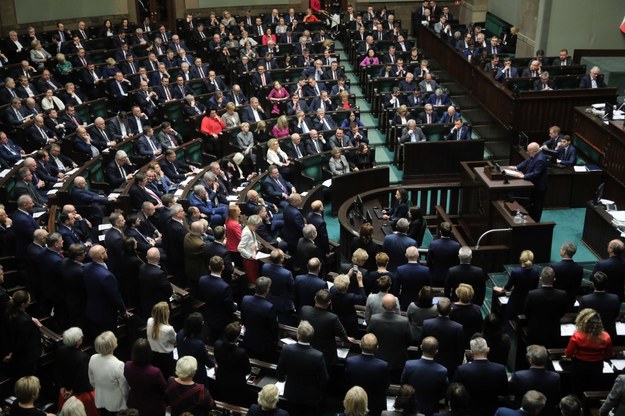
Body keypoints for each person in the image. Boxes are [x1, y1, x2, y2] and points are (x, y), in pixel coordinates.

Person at [277, 320, 329, 416]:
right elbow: (324, 378)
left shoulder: (286, 349)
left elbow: (280, 369)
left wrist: (281, 380)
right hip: (310, 397)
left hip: (291, 392)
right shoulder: (318, 356)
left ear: (298, 336)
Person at [453, 336, 508, 416]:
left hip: (468, 411)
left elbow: (454, 391)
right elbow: (505, 392)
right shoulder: (500, 369)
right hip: (492, 411)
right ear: (488, 350)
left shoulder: (462, 370)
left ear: (471, 352)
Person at [564, 308, 613, 395]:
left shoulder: (577, 336)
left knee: (577, 390)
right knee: (593, 389)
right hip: (596, 367)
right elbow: (608, 355)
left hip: (579, 366)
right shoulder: (606, 337)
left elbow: (568, 354)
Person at [300, 288, 351, 368]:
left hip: (306, 348)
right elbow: (343, 336)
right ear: (329, 302)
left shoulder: (304, 310)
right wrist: (347, 338)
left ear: (315, 298)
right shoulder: (332, 318)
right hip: (325, 354)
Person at [368, 294, 413, 380]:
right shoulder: (404, 321)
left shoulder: (374, 319)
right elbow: (409, 340)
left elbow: (369, 335)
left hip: (379, 358)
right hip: (398, 360)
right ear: (396, 306)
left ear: (382, 306)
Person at [401, 336, 448, 416]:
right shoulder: (442, 371)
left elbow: (403, 384)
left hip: (410, 408)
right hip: (430, 409)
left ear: (421, 347)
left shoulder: (409, 365)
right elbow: (443, 393)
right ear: (436, 351)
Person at [509, 344, 561, 416]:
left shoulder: (518, 375)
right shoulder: (556, 377)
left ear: (530, 360)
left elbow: (510, 392)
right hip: (546, 412)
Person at [345, 333, 390, 416]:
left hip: (355, 402)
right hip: (375, 405)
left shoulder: (350, 361)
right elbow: (385, 386)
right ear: (377, 348)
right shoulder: (383, 365)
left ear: (360, 345)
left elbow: (347, 383)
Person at [524, 267, 568, 348]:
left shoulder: (532, 294)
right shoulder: (562, 294)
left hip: (535, 331)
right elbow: (562, 313)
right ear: (554, 279)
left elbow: (527, 313)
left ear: (541, 279)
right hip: (553, 331)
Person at [198, 256, 237, 344]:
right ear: (223, 267)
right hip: (222, 319)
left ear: (209, 267)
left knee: (212, 337)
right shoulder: (225, 287)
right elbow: (230, 306)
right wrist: (235, 306)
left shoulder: (202, 280)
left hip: (208, 314)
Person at [421, 298, 465, 377]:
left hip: (430, 361)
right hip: (450, 365)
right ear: (451, 310)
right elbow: (460, 351)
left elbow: (421, 344)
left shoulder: (426, 324)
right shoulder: (458, 327)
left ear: (437, 310)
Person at [88, 331, 129, 415]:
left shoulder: (93, 358)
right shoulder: (119, 365)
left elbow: (91, 380)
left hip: (100, 400)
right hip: (116, 404)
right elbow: (124, 388)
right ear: (112, 345)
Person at [4, 290, 41, 379]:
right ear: (23, 304)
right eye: (28, 300)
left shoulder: (8, 311)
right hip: (25, 358)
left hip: (13, 349)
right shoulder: (25, 322)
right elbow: (22, 343)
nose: (30, 301)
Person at [124, 338, 166, 416]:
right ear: (149, 353)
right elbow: (164, 389)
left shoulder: (127, 365)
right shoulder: (155, 372)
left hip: (134, 404)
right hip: (153, 407)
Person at [494, 249, 540, 321]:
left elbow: (508, 287)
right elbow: (535, 287)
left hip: (516, 300)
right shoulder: (536, 272)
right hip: (529, 301)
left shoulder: (516, 272)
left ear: (521, 259)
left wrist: (501, 289)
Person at [507, 142, 548, 221]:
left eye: (529, 151)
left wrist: (524, 176)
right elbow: (527, 162)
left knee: (537, 206)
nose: (527, 152)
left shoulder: (540, 159)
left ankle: (535, 222)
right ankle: (530, 218)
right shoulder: (534, 155)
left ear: (535, 151)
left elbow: (536, 173)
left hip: (539, 187)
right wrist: (516, 168)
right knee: (532, 204)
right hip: (533, 185)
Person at [241, 277, 279, 361]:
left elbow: (243, 319)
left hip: (248, 339)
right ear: (267, 290)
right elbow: (273, 328)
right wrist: (276, 340)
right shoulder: (269, 307)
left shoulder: (245, 299)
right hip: (263, 345)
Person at [214, 322, 251, 406]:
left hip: (222, 379)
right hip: (237, 385)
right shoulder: (241, 352)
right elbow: (247, 370)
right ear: (236, 338)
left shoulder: (217, 344)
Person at [580, 271, 621, 342]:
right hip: (609, 334)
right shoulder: (615, 298)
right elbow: (615, 315)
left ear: (593, 284)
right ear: (606, 284)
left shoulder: (585, 299)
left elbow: (581, 317)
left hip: (591, 335)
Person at [176, 312, 215, 386]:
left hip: (183, 368)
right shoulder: (198, 344)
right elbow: (209, 363)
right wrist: (214, 364)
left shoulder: (180, 334)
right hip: (196, 374)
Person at [394, 246, 431, 310]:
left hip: (405, 302)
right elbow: (429, 287)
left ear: (406, 255)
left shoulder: (400, 269)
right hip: (421, 302)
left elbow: (396, 288)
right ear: (418, 255)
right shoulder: (426, 270)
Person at [147, 302, 176, 379]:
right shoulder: (168, 329)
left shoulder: (149, 321)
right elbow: (175, 341)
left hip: (153, 355)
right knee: (167, 377)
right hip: (166, 358)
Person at [551, 241, 584, 309]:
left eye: (561, 249)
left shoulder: (555, 267)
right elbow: (578, 285)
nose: (560, 250)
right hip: (570, 300)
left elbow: (551, 284)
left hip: (556, 300)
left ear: (564, 252)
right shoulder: (579, 268)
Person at [427, 222, 461, 287]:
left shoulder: (433, 244)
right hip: (451, 276)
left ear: (440, 232)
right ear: (451, 232)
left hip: (436, 275)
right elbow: (457, 262)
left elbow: (429, 262)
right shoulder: (456, 245)